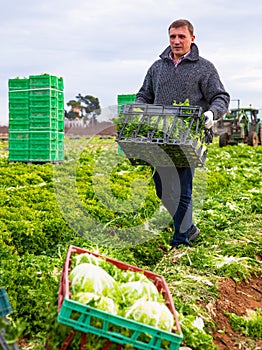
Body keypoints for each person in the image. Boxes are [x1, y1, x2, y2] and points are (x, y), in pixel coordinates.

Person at [135, 19, 230, 249]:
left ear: (192, 39)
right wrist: (139, 109)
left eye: (181, 37)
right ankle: (188, 227)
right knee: (163, 189)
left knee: (182, 189)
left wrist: (211, 114)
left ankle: (180, 241)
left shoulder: (204, 68)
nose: (176, 41)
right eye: (172, 37)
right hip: (159, 138)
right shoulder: (157, 68)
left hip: (188, 139)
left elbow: (221, 97)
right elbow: (143, 95)